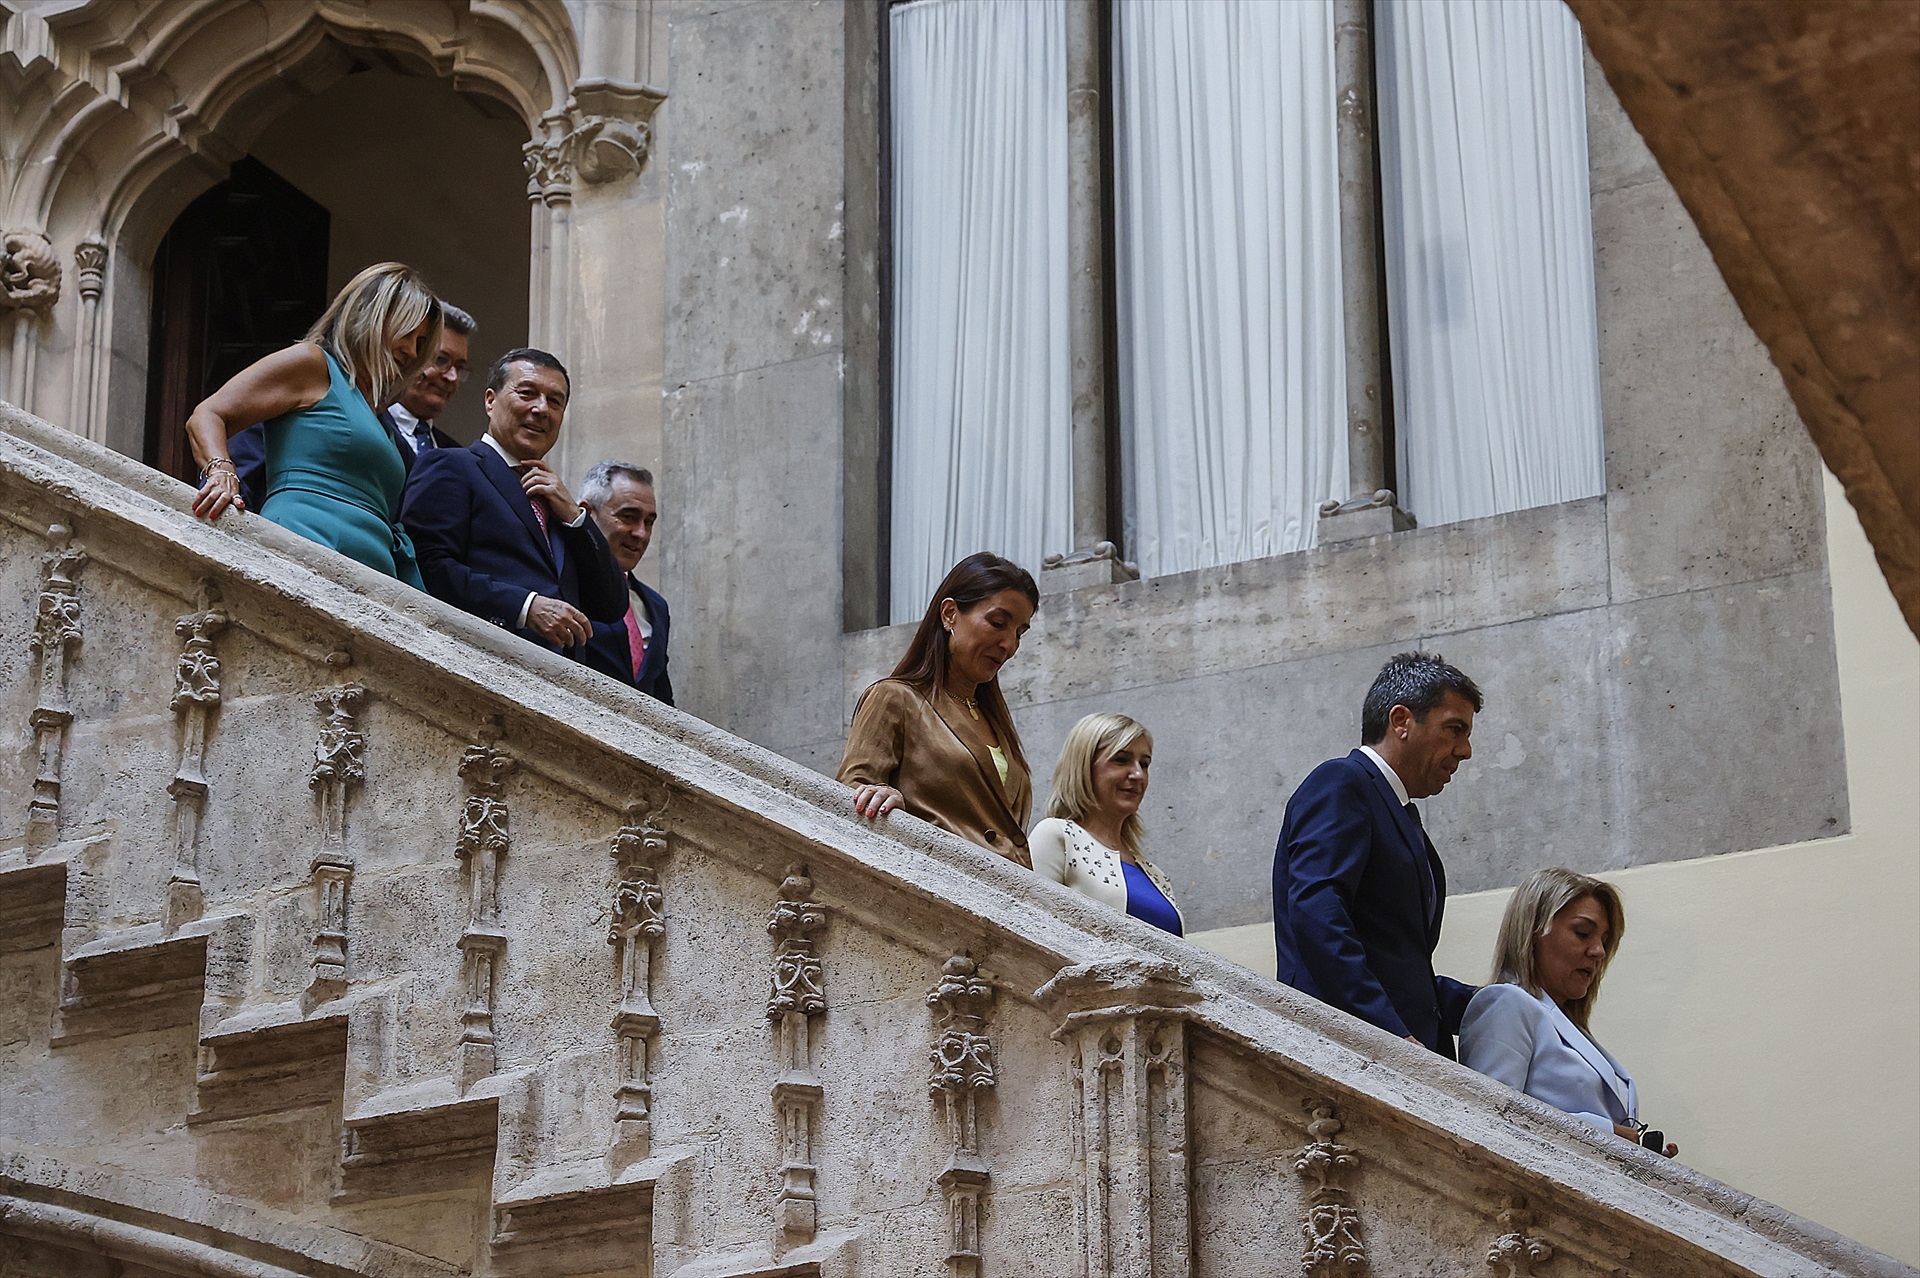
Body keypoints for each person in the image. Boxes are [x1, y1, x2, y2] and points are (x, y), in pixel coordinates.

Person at [1271, 651, 1481, 1056]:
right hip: (1352, 1052)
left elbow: (1397, 965)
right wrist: (1386, 1032)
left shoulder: (1394, 809)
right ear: (1401, 721)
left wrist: (1486, 1002)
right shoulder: (1341, 783)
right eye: (1455, 729)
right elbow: (1318, 914)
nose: (1466, 750)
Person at [184, 261, 441, 587]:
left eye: (420, 342)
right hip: (308, 539)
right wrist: (221, 472)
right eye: (406, 333)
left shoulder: (377, 415)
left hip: (373, 567)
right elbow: (208, 414)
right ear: (372, 317)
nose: (411, 350)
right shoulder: (314, 364)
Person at [400, 348, 627, 654]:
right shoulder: (452, 466)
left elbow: (611, 604)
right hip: (481, 663)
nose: (541, 408)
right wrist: (525, 606)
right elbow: (427, 566)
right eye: (527, 393)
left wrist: (575, 518)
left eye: (555, 401)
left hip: (559, 683)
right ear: (490, 401)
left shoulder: (556, 500)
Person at [1460, 869, 1678, 1157]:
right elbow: (1488, 1119)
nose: (1599, 951)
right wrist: (1603, 1134)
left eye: (1604, 940)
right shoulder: (1506, 1003)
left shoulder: (1566, 1025)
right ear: (1534, 931)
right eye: (1583, 933)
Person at [838, 553, 1038, 865]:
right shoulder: (895, 698)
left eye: (1019, 633)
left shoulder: (993, 721)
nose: (1009, 645)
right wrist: (886, 798)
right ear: (949, 614)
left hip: (1008, 896)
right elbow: (850, 794)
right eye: (998, 623)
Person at [228, 304, 475, 511]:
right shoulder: (321, 396)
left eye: (460, 368)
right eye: (441, 360)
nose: (451, 376)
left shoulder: (456, 456)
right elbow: (243, 463)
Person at [1029, 713, 1182, 935]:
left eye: (1145, 764)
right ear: (1083, 766)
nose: (1138, 774)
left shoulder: (1155, 874)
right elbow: (1033, 932)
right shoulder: (1056, 836)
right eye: (1121, 760)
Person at [579, 461, 674, 704]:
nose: (641, 533)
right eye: (628, 517)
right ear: (588, 514)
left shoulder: (656, 606)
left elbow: (661, 696)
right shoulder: (564, 585)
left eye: (649, 522)